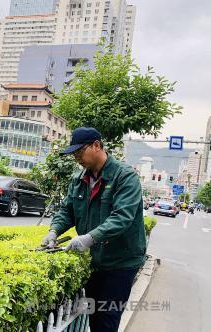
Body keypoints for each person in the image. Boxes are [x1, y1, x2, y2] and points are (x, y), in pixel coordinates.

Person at [42, 127, 146, 332]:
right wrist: (54, 231)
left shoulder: (125, 177)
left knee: (106, 320)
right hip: (94, 260)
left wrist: (89, 238)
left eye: (79, 152)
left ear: (96, 145)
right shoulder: (79, 179)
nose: (76, 158)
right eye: (74, 154)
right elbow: (68, 210)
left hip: (121, 262)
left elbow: (122, 217)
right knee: (93, 315)